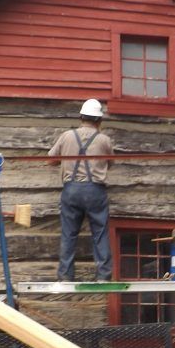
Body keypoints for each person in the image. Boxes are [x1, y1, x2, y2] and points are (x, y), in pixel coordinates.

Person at [48, 99, 114, 281]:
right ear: (99, 121)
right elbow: (111, 164)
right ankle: (103, 275)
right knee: (100, 233)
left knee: (69, 234)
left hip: (71, 190)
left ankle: (65, 275)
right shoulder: (104, 140)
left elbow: (51, 159)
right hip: (95, 191)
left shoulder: (67, 136)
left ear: (81, 117)